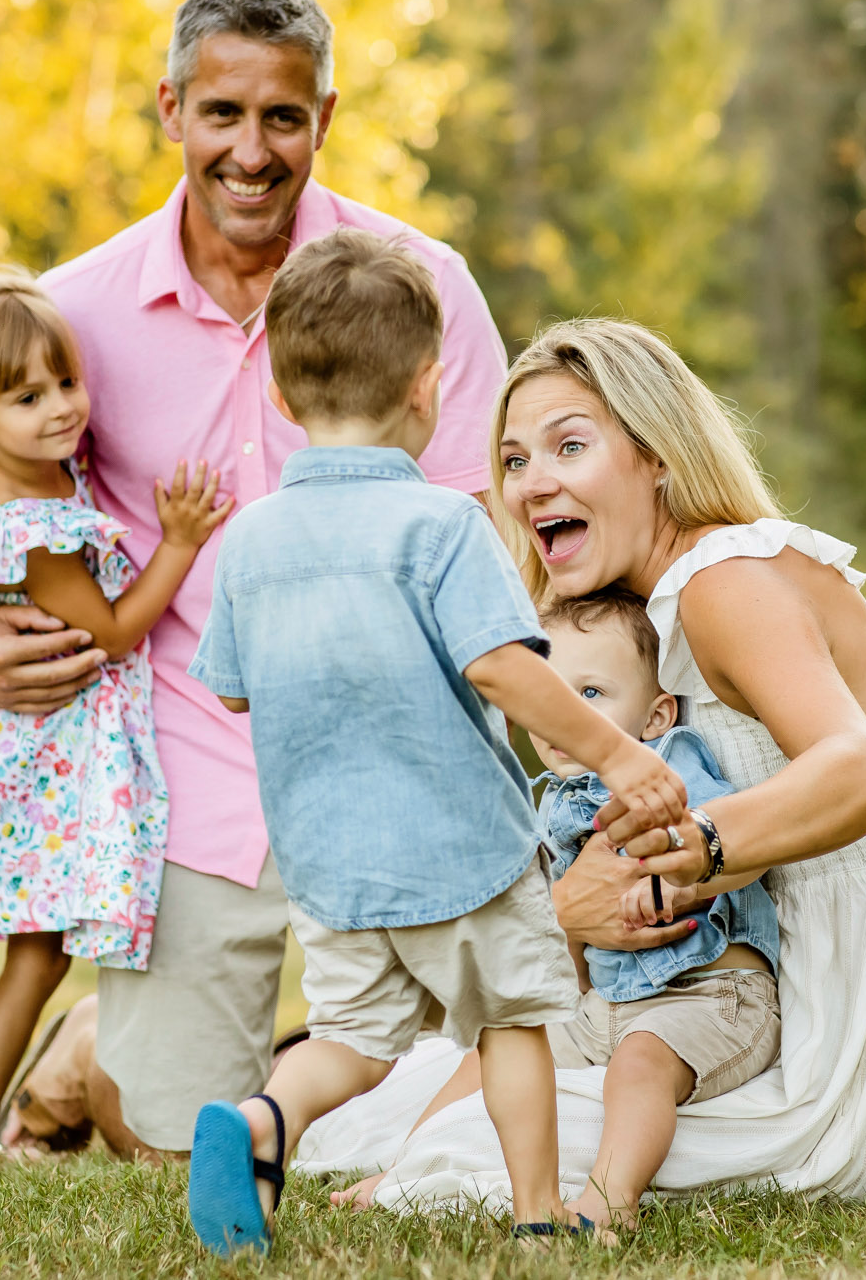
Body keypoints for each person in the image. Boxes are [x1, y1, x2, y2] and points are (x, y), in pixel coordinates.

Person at [0, 0, 508, 1160]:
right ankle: (97, 1051)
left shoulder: (422, 287)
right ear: (170, 112)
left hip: (402, 754)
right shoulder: (73, 310)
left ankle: (160, 1045)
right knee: (169, 1141)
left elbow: (482, 529)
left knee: (464, 1109)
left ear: (325, 120)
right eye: (223, 115)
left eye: (282, 118)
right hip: (185, 760)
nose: (252, 152)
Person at [297, 318, 866, 1206]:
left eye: (570, 445)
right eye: (513, 460)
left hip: (862, 1057)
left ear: (657, 455)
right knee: (426, 1096)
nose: (531, 483)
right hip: (802, 1013)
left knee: (470, 1140)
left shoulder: (724, 581)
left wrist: (683, 863)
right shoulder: (645, 619)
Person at [180, 230, 687, 1256]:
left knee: (349, 1041)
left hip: (327, 861)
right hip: (464, 851)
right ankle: (538, 1213)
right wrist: (620, 756)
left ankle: (262, 1120)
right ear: (427, 388)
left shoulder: (253, 538)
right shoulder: (439, 526)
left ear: (279, 398)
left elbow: (232, 694)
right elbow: (501, 665)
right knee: (513, 1023)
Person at [0, 267, 230, 1170]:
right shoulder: (38, 523)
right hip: (6, 771)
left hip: (35, 766)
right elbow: (112, 633)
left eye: (67, 383)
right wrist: (182, 543)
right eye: (27, 396)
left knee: (37, 960)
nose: (62, 409)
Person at [338, 588, 781, 1235]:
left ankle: (610, 1198)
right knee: (502, 1042)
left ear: (656, 714)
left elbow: (730, 841)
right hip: (605, 1005)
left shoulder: (671, 763)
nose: (565, 718)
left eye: (591, 695)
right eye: (550, 694)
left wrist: (665, 874)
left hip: (711, 996)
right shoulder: (548, 800)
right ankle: (407, 1161)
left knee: (641, 1064)